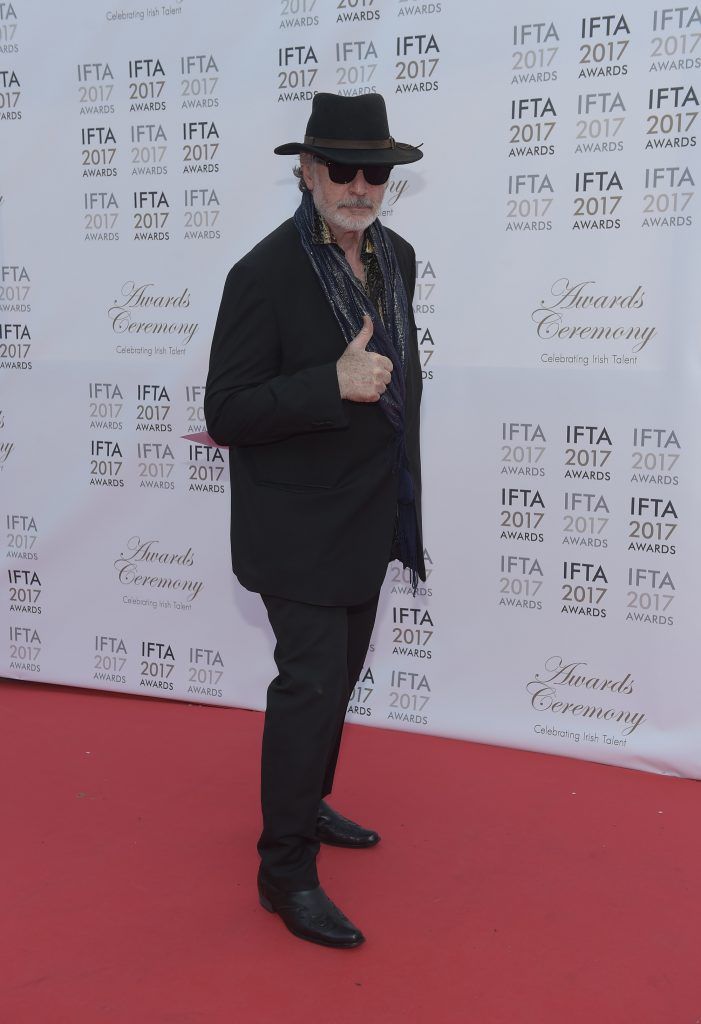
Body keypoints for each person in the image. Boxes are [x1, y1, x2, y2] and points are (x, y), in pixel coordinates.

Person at [204, 92, 425, 948]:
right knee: (309, 690)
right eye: (342, 167)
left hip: (373, 515)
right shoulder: (262, 274)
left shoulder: (396, 256)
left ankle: (308, 802)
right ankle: (284, 869)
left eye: (376, 170)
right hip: (294, 529)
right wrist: (326, 384)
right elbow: (226, 410)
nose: (360, 184)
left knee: (340, 682)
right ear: (305, 170)